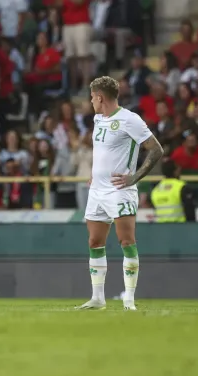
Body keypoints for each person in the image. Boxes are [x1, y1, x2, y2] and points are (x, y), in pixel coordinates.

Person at [77, 76, 164, 312]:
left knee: (126, 241)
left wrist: (134, 177)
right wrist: (97, 174)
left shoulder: (130, 120)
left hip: (119, 191)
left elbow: (156, 150)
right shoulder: (98, 119)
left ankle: (128, 300)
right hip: (97, 190)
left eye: (92, 97)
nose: (91, 101)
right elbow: (104, 152)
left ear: (100, 97)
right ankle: (98, 298)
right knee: (95, 241)